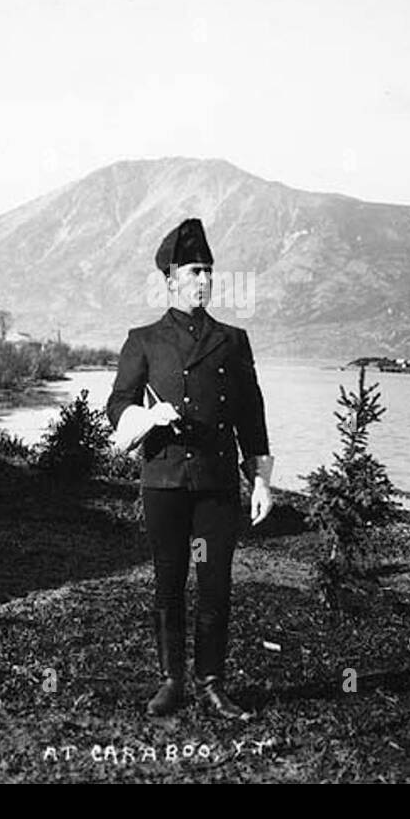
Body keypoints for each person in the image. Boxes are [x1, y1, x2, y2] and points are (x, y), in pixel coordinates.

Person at [105, 217, 274, 720]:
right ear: (170, 279)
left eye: (209, 272)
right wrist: (146, 417)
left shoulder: (233, 340)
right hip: (163, 482)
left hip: (217, 487)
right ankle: (172, 680)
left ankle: (212, 683)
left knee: (215, 582)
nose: (204, 281)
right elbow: (117, 404)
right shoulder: (144, 340)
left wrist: (260, 478)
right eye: (195, 271)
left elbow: (251, 414)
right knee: (169, 581)